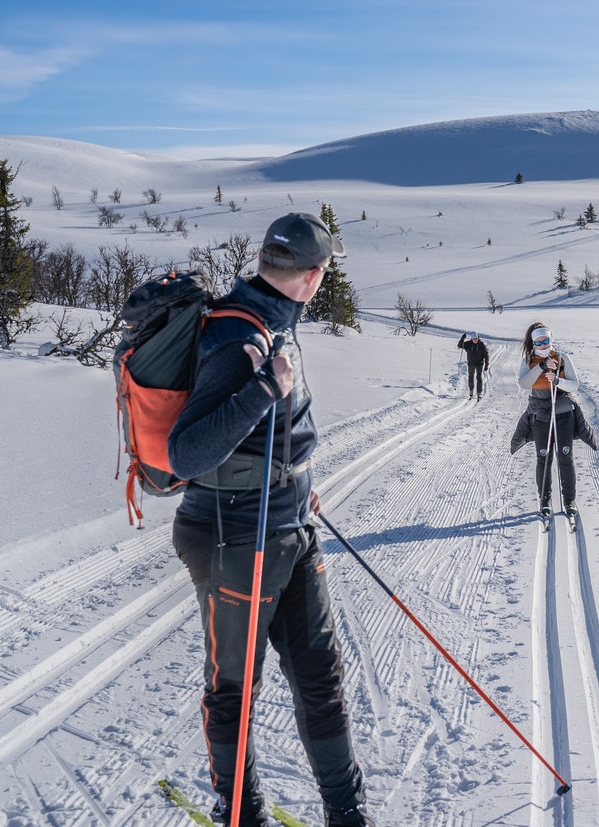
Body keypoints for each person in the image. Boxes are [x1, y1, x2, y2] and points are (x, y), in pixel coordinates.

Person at [167, 213, 374, 827]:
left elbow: (273, 440)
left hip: (286, 527)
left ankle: (347, 812)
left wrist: (294, 484)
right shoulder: (238, 337)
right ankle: (241, 814)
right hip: (232, 536)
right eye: (325, 270)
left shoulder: (274, 321)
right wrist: (263, 388)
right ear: (312, 277)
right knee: (234, 688)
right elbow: (187, 453)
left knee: (320, 677)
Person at [516, 321, 583, 521]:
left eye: (546, 340)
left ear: (551, 340)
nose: (543, 345)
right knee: (543, 459)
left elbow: (575, 384)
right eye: (539, 341)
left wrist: (558, 381)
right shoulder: (528, 360)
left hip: (563, 414)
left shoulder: (562, 358)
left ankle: (569, 501)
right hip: (540, 416)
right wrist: (542, 367)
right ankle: (545, 501)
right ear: (533, 342)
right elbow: (524, 383)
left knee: (565, 458)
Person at [457, 331, 490, 400]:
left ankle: (479, 392)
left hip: (479, 363)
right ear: (471, 339)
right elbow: (460, 345)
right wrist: (462, 338)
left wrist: (486, 364)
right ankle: (471, 390)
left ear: (478, 338)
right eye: (474, 339)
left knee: (479, 377)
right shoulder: (468, 344)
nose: (475, 340)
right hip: (471, 363)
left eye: (476, 338)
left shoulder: (481, 345)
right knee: (471, 376)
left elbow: (486, 355)